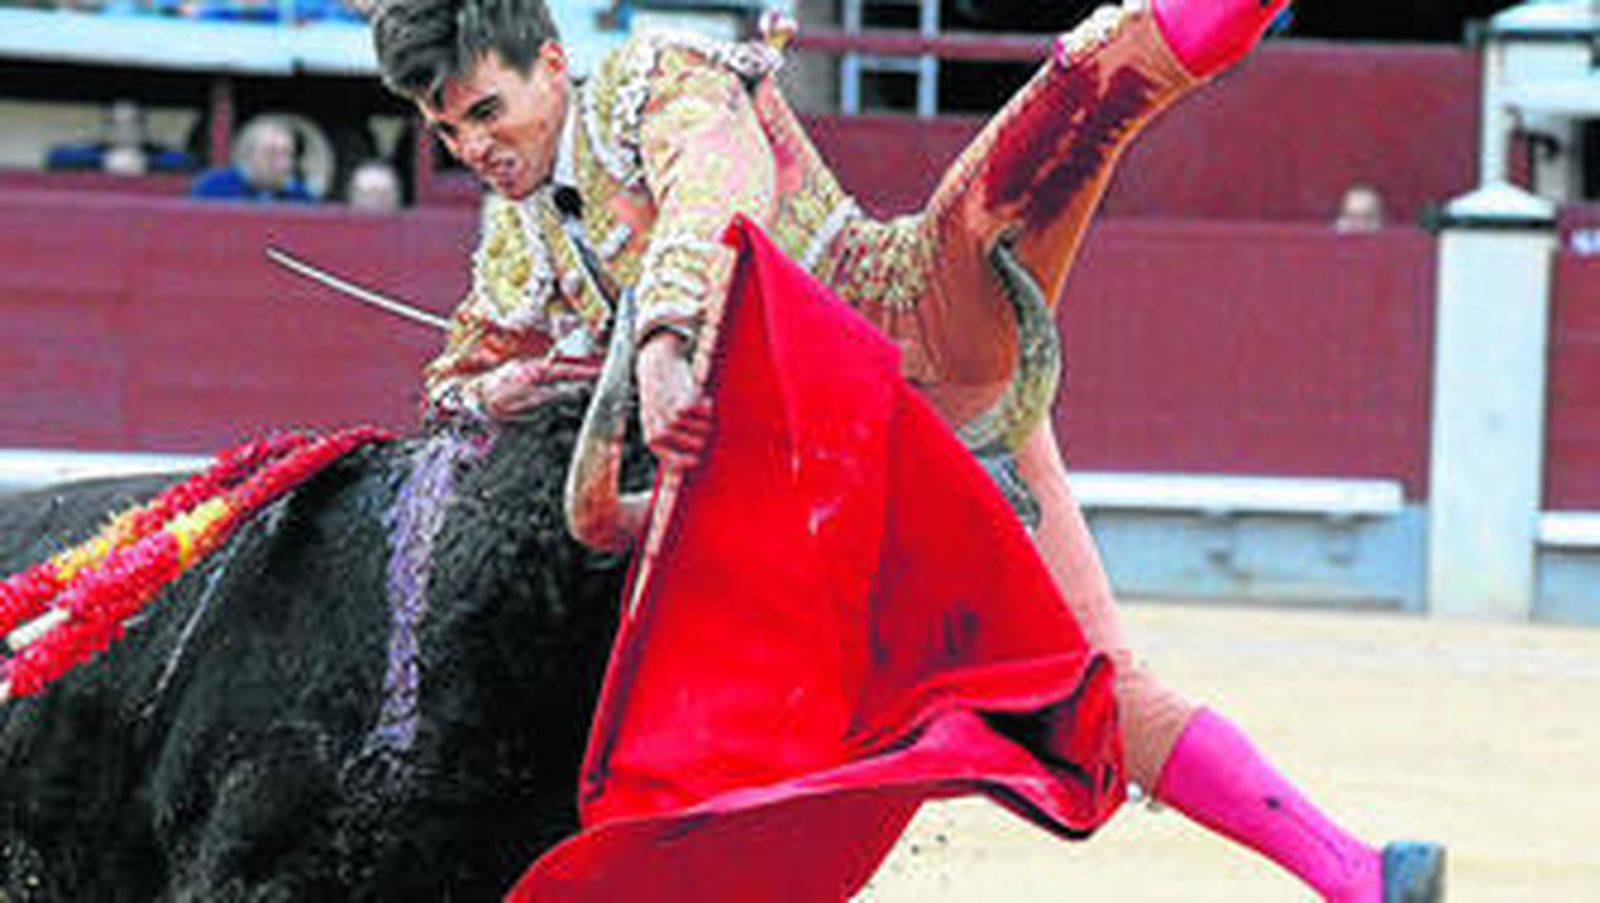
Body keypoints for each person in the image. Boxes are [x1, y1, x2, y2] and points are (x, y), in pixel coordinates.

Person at [371, 1, 1444, 900]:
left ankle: (1353, 874)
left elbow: (719, 183)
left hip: (903, 340)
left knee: (1077, 99)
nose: (473, 147)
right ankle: (1362, 875)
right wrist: (497, 387)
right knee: (1052, 704)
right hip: (814, 490)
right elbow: (452, 386)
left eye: (484, 111)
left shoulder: (655, 78)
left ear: (550, 65)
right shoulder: (515, 241)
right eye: (444, 127)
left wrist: (658, 335)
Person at [44, 99, 193, 176]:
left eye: (133, 122)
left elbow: (186, 161)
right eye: (116, 124)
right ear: (106, 128)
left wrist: (147, 163)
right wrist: (103, 161)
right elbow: (57, 156)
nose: (125, 130)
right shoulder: (96, 150)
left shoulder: (155, 151)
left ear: (143, 128)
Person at [191, 117, 315, 203]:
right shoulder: (214, 188)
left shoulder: (300, 197)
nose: (281, 164)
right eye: (271, 154)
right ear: (250, 156)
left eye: (287, 155)